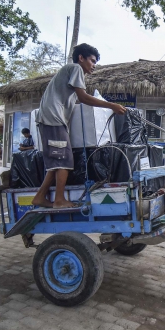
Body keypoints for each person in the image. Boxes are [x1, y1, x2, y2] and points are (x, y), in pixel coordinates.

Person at [31, 43, 126, 210]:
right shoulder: (75, 68)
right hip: (53, 119)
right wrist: (111, 106)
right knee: (64, 161)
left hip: (52, 119)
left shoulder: (69, 73)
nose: (94, 66)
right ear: (81, 58)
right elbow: (84, 98)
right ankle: (59, 200)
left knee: (56, 163)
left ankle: (40, 196)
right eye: (92, 60)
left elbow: (78, 99)